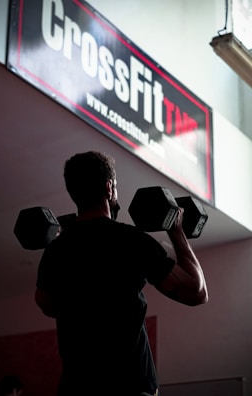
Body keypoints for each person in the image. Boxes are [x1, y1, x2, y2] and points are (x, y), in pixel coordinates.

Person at [35, 150, 208, 396]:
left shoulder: (56, 249)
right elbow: (196, 291)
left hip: (77, 386)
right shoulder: (131, 240)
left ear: (74, 193)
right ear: (109, 187)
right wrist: (176, 229)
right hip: (129, 385)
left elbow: (45, 303)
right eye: (115, 186)